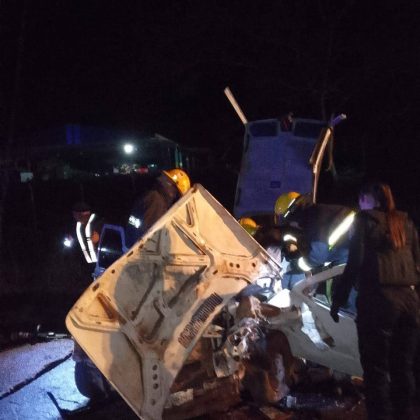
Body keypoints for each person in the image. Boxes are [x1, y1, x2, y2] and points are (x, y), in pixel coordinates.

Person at [330, 182, 420, 420]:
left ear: (370, 200)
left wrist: (338, 300)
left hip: (378, 301)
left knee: (376, 369)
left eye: (362, 199)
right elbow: (417, 263)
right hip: (409, 303)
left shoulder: (364, 221)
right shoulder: (406, 222)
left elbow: (355, 262)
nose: (360, 204)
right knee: (403, 367)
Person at [274, 191, 355, 291]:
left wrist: (298, 264)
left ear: (293, 215)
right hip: (351, 257)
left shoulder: (314, 220)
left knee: (341, 296)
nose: (291, 224)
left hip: (352, 263)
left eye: (289, 221)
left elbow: (317, 257)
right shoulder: (321, 212)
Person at [126, 168, 191, 247]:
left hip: (132, 243)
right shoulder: (157, 201)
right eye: (176, 192)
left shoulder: (153, 195)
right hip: (140, 249)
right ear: (171, 185)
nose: (174, 196)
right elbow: (150, 234)